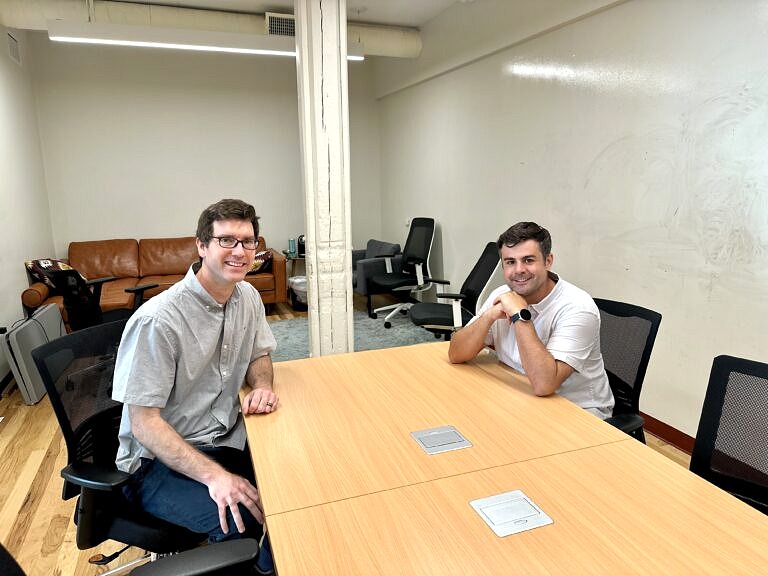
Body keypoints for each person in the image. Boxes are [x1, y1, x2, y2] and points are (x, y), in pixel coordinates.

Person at [112, 199, 278, 574]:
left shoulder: (247, 297)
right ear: (202, 246)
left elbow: (259, 353)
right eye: (227, 241)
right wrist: (216, 478)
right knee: (242, 520)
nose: (240, 252)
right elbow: (145, 424)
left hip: (222, 438)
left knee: (292, 486)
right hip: (158, 461)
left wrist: (262, 386)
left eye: (248, 242)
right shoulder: (158, 321)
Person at [449, 222, 614, 418]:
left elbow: (545, 384)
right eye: (510, 262)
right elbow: (456, 354)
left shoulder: (577, 308)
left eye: (528, 260)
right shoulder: (503, 294)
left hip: (578, 411)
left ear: (548, 261)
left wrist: (521, 315)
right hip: (519, 394)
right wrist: (489, 315)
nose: (518, 270)